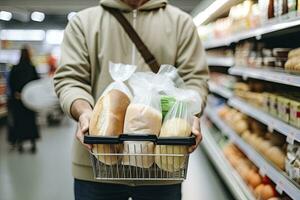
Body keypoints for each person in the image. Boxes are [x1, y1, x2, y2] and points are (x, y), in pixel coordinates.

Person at [54, 0, 209, 199]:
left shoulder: (181, 22)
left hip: (163, 167)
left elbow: (195, 79)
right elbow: (70, 79)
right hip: (96, 166)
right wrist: (84, 112)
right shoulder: (83, 22)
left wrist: (190, 115)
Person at [8, 46, 40, 153]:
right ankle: (32, 144)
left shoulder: (14, 68)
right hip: (30, 101)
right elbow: (37, 83)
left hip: (17, 101)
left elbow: (11, 83)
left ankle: (20, 144)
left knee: (19, 122)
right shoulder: (32, 68)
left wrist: (17, 94)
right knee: (30, 122)